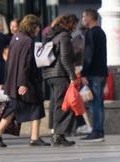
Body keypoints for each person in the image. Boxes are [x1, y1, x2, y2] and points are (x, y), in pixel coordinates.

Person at [0, 14, 46, 146]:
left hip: (13, 80)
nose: (38, 30)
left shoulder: (15, 38)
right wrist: (23, 83)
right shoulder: (28, 41)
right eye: (37, 27)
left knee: (14, 107)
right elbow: (25, 63)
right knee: (37, 105)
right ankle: (34, 138)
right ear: (32, 27)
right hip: (26, 80)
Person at [42, 13, 82, 146]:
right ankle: (58, 136)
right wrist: (72, 76)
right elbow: (65, 58)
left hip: (50, 74)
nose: (75, 28)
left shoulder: (52, 35)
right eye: (75, 24)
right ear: (70, 24)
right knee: (64, 105)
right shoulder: (64, 36)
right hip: (60, 75)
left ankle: (57, 134)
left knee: (57, 104)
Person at [79, 9, 108, 140]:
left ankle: (96, 130)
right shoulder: (101, 32)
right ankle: (99, 130)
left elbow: (88, 55)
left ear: (90, 18)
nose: (83, 19)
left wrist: (84, 73)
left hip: (94, 73)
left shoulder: (90, 33)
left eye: (84, 16)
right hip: (102, 72)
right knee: (99, 102)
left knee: (95, 103)